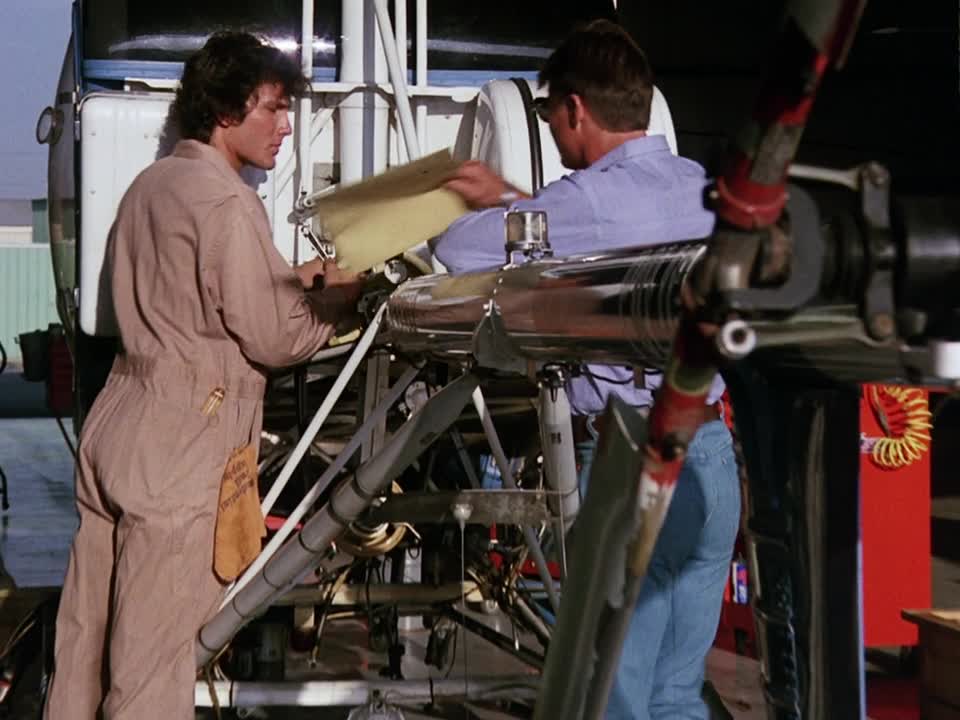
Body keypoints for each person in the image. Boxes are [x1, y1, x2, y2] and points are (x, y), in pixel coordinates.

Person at [44, 33, 358, 719]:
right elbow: (275, 336)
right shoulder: (228, 203)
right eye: (272, 109)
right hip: (182, 444)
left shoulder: (151, 186)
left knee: (82, 652)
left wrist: (291, 279)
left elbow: (195, 297)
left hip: (119, 419)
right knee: (149, 679)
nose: (285, 127)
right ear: (224, 110)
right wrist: (339, 299)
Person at [433, 20, 740, 720]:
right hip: (713, 457)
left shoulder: (587, 201)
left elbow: (459, 250)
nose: (551, 131)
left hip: (636, 464)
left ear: (575, 109)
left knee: (612, 694)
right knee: (676, 694)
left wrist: (503, 203)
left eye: (549, 115)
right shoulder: (700, 186)